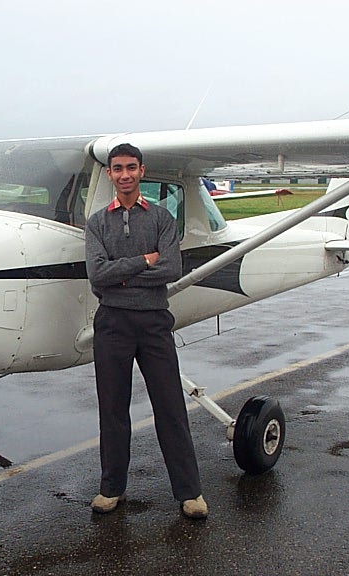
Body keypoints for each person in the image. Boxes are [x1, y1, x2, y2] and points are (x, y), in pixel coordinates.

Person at [84, 143, 207, 519]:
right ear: (109, 174)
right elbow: (97, 275)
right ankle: (111, 489)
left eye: (131, 168)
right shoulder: (97, 223)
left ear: (141, 171)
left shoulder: (161, 218)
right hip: (112, 325)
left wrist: (122, 273)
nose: (124, 175)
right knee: (113, 409)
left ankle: (190, 493)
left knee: (170, 408)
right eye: (117, 168)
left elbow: (170, 269)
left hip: (154, 324)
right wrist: (143, 261)